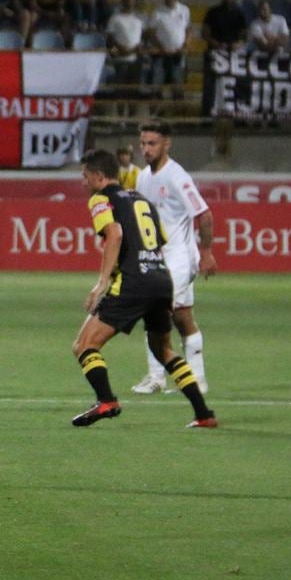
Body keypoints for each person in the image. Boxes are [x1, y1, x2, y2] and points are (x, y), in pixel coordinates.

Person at [69, 148, 217, 429]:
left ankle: (106, 400)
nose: (83, 182)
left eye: (85, 176)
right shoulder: (143, 200)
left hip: (133, 282)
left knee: (84, 345)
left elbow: (114, 234)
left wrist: (102, 283)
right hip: (161, 279)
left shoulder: (101, 200)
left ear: (99, 176)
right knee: (163, 350)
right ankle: (204, 413)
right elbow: (158, 243)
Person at [129, 120, 216, 395]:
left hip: (179, 258)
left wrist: (207, 253)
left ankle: (157, 377)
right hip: (158, 257)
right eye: (143, 143)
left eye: (152, 143)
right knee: (183, 319)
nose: (146, 149)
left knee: (154, 311)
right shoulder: (143, 177)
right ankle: (197, 378)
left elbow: (204, 213)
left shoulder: (177, 176)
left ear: (167, 143)